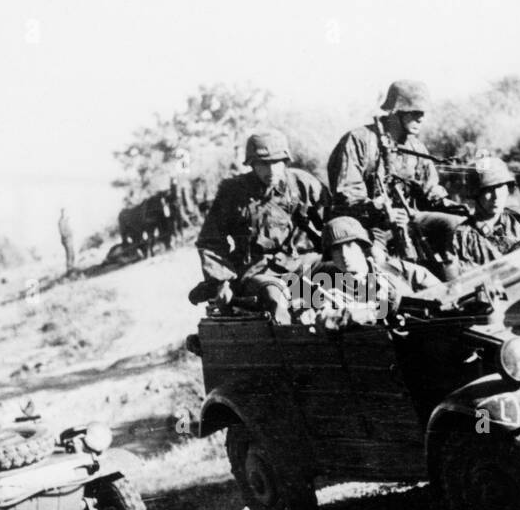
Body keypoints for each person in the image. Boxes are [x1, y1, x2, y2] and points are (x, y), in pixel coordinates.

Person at [193, 130, 328, 323]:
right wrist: (221, 281)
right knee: (276, 299)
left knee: (349, 279)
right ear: (252, 164)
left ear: (285, 161)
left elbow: (333, 221)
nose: (271, 170)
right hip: (257, 271)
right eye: (263, 164)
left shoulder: (302, 184)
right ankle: (296, 338)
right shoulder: (233, 192)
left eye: (276, 162)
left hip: (300, 262)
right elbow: (210, 240)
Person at [326, 80, 458, 261]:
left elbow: (430, 189)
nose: (421, 118)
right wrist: (379, 209)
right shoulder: (359, 140)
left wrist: (456, 208)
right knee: (377, 259)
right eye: (415, 113)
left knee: (454, 228)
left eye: (422, 113)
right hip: (366, 226)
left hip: (407, 220)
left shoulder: (416, 147)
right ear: (396, 112)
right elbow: (347, 195)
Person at [303, 216, 439, 327]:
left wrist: (403, 301)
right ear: (331, 256)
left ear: (362, 247)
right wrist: (370, 312)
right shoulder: (331, 290)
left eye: (349, 245)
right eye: (336, 249)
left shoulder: (401, 271)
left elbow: (443, 294)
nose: (344, 254)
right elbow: (326, 318)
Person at [445, 156, 520, 276]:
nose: (496, 196)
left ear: (508, 188)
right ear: (475, 193)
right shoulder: (463, 238)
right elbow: (464, 281)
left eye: (500, 187)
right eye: (489, 189)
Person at [58, 208, 76, 275]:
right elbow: (62, 233)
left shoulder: (66, 220)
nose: (65, 214)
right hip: (66, 240)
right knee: (69, 254)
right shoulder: (61, 221)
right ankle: (69, 271)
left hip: (69, 239)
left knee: (72, 254)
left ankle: (72, 269)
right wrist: (69, 234)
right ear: (62, 213)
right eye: (64, 212)